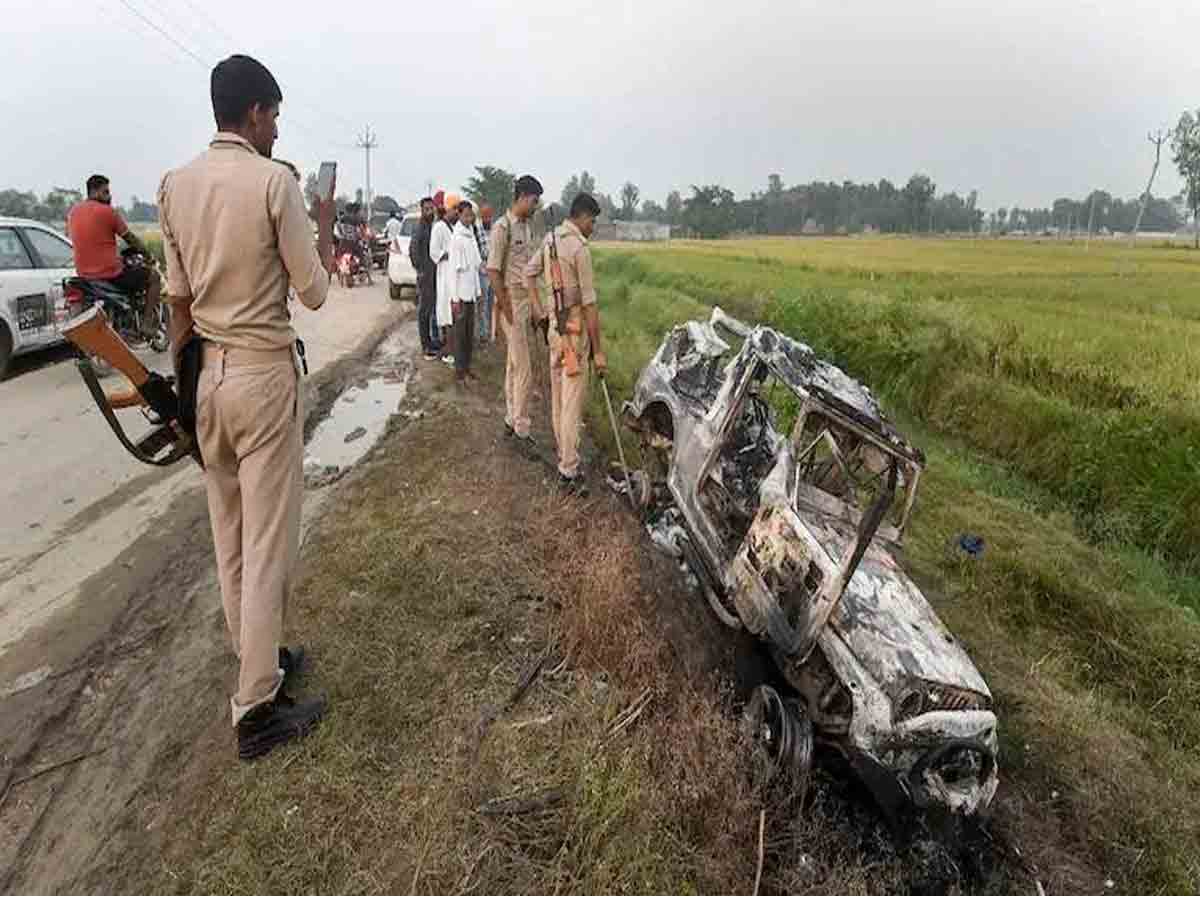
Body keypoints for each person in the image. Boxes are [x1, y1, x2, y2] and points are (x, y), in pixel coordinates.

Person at [157, 53, 336, 760]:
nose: (278, 129)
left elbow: (177, 303)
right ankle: (257, 709)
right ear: (255, 113)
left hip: (205, 380)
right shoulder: (274, 184)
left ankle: (256, 662)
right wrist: (315, 233)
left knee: (229, 540)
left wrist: (181, 391)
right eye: (276, 116)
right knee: (265, 547)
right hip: (262, 377)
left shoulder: (174, 186)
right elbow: (315, 291)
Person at [524, 192, 605, 494]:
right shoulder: (579, 249)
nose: (593, 227)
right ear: (582, 216)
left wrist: (539, 310)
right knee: (571, 404)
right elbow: (590, 305)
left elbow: (528, 274)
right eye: (592, 221)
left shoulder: (550, 240)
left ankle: (564, 456)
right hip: (573, 335)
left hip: (555, 333)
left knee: (559, 399)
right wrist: (598, 351)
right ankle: (568, 469)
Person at [67, 174, 163, 340]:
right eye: (106, 192)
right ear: (94, 191)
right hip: (110, 273)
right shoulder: (108, 212)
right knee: (153, 277)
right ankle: (147, 324)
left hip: (83, 274)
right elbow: (130, 238)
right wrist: (148, 255)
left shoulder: (73, 212)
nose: (109, 196)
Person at [486, 175, 544, 455]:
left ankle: (511, 419)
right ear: (521, 197)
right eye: (533, 201)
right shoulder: (502, 228)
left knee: (513, 366)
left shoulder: (527, 227)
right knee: (524, 370)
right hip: (511, 302)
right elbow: (493, 271)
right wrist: (506, 308)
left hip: (523, 303)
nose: (535, 206)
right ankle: (521, 429)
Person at [450, 200, 482, 383]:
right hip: (460, 294)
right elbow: (453, 271)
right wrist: (454, 298)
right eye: (466, 215)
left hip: (470, 292)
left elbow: (477, 265)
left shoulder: (470, 236)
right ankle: (459, 371)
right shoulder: (457, 239)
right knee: (460, 334)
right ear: (460, 215)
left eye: (471, 215)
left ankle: (467, 367)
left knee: (469, 333)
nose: (469, 218)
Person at [430, 193, 460, 366]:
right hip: (444, 275)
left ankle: (452, 349)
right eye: (454, 208)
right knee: (447, 314)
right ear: (447, 209)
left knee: (453, 315)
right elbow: (434, 252)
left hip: (453, 277)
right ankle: (449, 350)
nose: (457, 212)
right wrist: (450, 254)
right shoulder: (439, 227)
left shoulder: (453, 227)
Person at [409, 197, 439, 359]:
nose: (430, 212)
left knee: (429, 309)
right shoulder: (420, 228)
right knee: (424, 311)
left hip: (432, 273)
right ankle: (425, 345)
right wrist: (420, 269)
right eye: (427, 209)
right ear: (422, 210)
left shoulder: (430, 226)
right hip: (425, 275)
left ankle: (430, 342)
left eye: (431, 209)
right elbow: (413, 250)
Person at [475, 204, 494, 346]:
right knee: (483, 303)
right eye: (485, 216)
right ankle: (483, 333)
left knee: (491, 303)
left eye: (489, 216)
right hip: (482, 271)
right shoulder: (476, 229)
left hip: (493, 270)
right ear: (481, 216)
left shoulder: (494, 229)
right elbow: (477, 251)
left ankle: (490, 330)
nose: (488, 219)